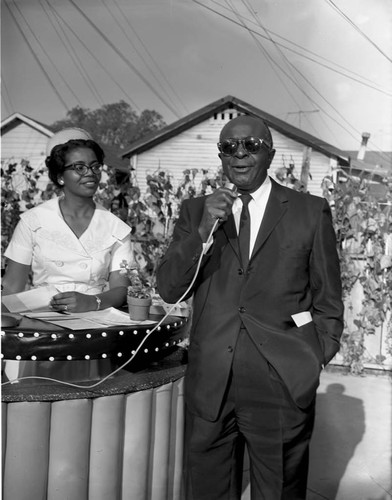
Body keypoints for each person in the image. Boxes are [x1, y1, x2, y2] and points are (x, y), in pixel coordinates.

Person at [157, 115, 344, 499]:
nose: (239, 154)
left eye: (251, 146)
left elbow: (329, 300)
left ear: (270, 153)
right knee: (207, 489)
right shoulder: (197, 211)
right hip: (212, 379)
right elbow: (169, 288)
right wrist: (204, 228)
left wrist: (313, 357)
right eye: (229, 147)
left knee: (278, 490)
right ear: (221, 156)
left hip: (280, 377)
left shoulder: (309, 211)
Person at [2, 128, 133, 381]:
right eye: (79, 167)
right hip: (40, 330)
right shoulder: (33, 221)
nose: (90, 174)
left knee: (89, 403)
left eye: (95, 166)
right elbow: (12, 288)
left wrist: (91, 302)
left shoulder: (116, 228)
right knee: (38, 402)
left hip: (94, 329)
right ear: (60, 177)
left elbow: (120, 288)